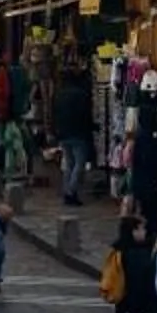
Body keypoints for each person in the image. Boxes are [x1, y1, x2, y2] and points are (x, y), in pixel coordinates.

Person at [51, 62, 96, 207]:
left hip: (64, 133)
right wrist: (91, 128)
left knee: (69, 163)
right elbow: (86, 115)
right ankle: (71, 191)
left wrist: (55, 131)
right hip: (78, 133)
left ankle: (68, 191)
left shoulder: (59, 94)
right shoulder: (82, 95)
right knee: (79, 164)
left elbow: (54, 113)